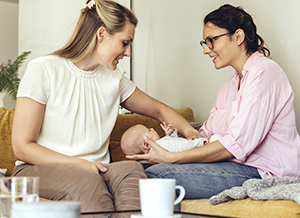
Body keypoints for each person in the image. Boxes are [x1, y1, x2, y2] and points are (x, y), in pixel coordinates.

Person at [11, 0, 202, 213]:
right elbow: (22, 146)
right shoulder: (43, 70)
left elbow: (158, 109)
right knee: (85, 180)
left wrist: (189, 132)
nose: (127, 53)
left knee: (131, 170)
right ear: (101, 34)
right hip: (36, 169)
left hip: (96, 169)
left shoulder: (114, 79)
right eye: (125, 43)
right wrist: (79, 164)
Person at [126, 4, 300, 203]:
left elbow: (236, 146)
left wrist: (171, 158)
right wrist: (167, 144)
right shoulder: (228, 87)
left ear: (238, 37)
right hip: (234, 165)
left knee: (155, 178)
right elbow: (205, 136)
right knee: (142, 168)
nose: (206, 50)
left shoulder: (265, 72)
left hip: (265, 171)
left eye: (211, 41)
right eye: (204, 42)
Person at [121, 121, 222, 155]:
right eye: (148, 130)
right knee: (217, 139)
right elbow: (182, 146)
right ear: (146, 144)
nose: (152, 128)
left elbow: (173, 144)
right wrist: (201, 143)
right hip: (200, 148)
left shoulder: (159, 148)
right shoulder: (160, 146)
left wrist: (171, 134)